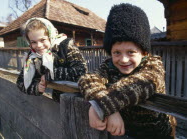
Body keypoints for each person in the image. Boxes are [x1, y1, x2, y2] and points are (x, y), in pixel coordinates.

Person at [78, 3, 174, 139]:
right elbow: (87, 80)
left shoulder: (153, 67)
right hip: (126, 133)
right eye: (117, 52)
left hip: (158, 134)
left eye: (131, 52)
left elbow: (138, 85)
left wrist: (99, 106)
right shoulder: (108, 66)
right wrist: (111, 111)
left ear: (143, 52)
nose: (123, 59)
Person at [16, 17, 87, 100]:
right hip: (58, 101)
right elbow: (21, 82)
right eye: (33, 42)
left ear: (51, 36)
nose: (38, 45)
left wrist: (50, 75)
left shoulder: (66, 47)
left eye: (43, 40)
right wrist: (36, 87)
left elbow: (81, 71)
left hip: (80, 98)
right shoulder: (33, 58)